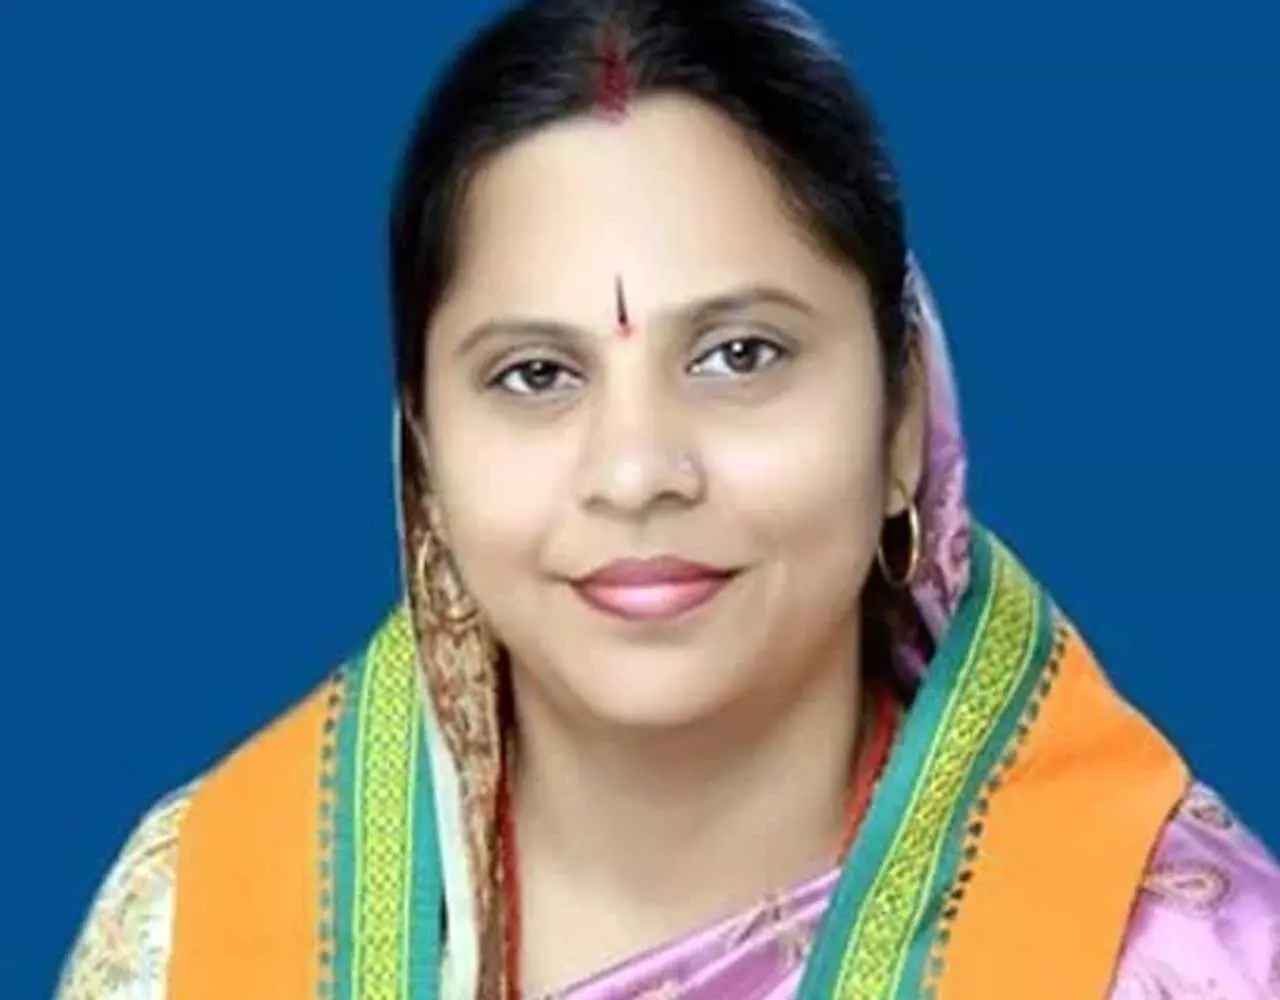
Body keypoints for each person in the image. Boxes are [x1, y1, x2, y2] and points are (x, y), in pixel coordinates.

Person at [56, 1, 1280, 997]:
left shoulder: (1169, 957)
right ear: (422, 456)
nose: (638, 471)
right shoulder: (197, 928)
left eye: (739, 355)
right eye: (535, 374)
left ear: (903, 415)